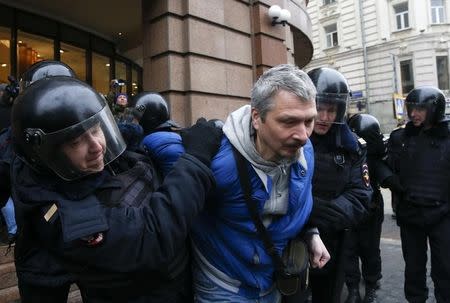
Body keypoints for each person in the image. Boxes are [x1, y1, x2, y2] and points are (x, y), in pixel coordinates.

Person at [11, 76, 222, 302]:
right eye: (76, 142)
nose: (97, 146)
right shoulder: (67, 217)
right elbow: (151, 239)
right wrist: (196, 160)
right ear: (49, 154)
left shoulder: (88, 168)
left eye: (96, 129)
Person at [144, 64, 331, 303]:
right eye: (289, 122)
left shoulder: (306, 153)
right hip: (222, 288)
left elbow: (300, 201)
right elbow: (151, 142)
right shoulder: (216, 159)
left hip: (273, 283)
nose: (303, 135)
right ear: (256, 118)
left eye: (309, 121)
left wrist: (310, 232)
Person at [306, 67, 372, 303]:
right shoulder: (292, 138)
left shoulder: (352, 146)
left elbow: (360, 196)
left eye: (331, 110)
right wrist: (307, 215)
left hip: (334, 240)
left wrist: (322, 214)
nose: (324, 117)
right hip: (292, 238)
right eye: (319, 109)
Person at [386, 86, 450, 303]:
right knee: (413, 269)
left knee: (445, 268)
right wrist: (390, 180)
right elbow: (383, 165)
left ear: (435, 109)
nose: (414, 113)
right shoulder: (400, 138)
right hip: (411, 215)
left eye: (420, 109)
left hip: (443, 215)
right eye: (411, 108)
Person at [345, 114, 393, 303]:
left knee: (370, 249)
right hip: (349, 210)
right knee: (349, 250)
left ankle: (371, 285)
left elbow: (387, 176)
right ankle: (353, 288)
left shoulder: (374, 159)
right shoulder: (346, 155)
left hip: (371, 210)